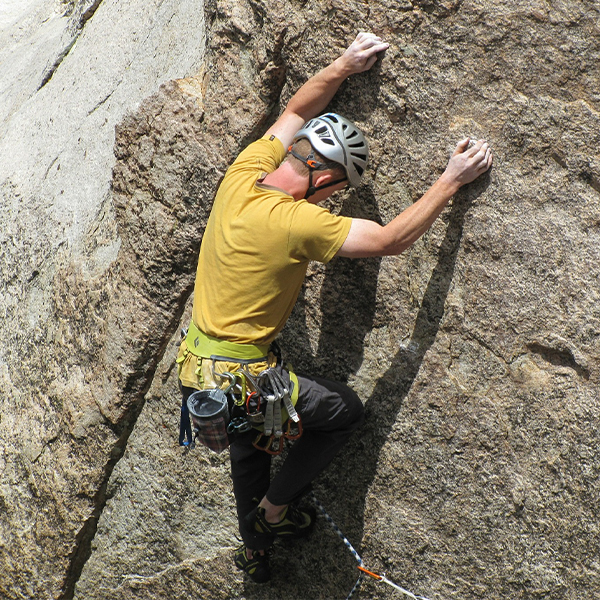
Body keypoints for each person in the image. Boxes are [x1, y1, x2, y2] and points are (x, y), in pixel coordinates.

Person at [176, 32, 493, 583]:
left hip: (197, 373)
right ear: (323, 178)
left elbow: (296, 109)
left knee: (250, 450)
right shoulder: (298, 221)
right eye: (333, 191)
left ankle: (256, 553)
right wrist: (450, 180)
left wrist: (343, 65)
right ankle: (275, 512)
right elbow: (392, 240)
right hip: (243, 381)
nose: (330, 201)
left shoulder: (243, 172)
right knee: (342, 412)